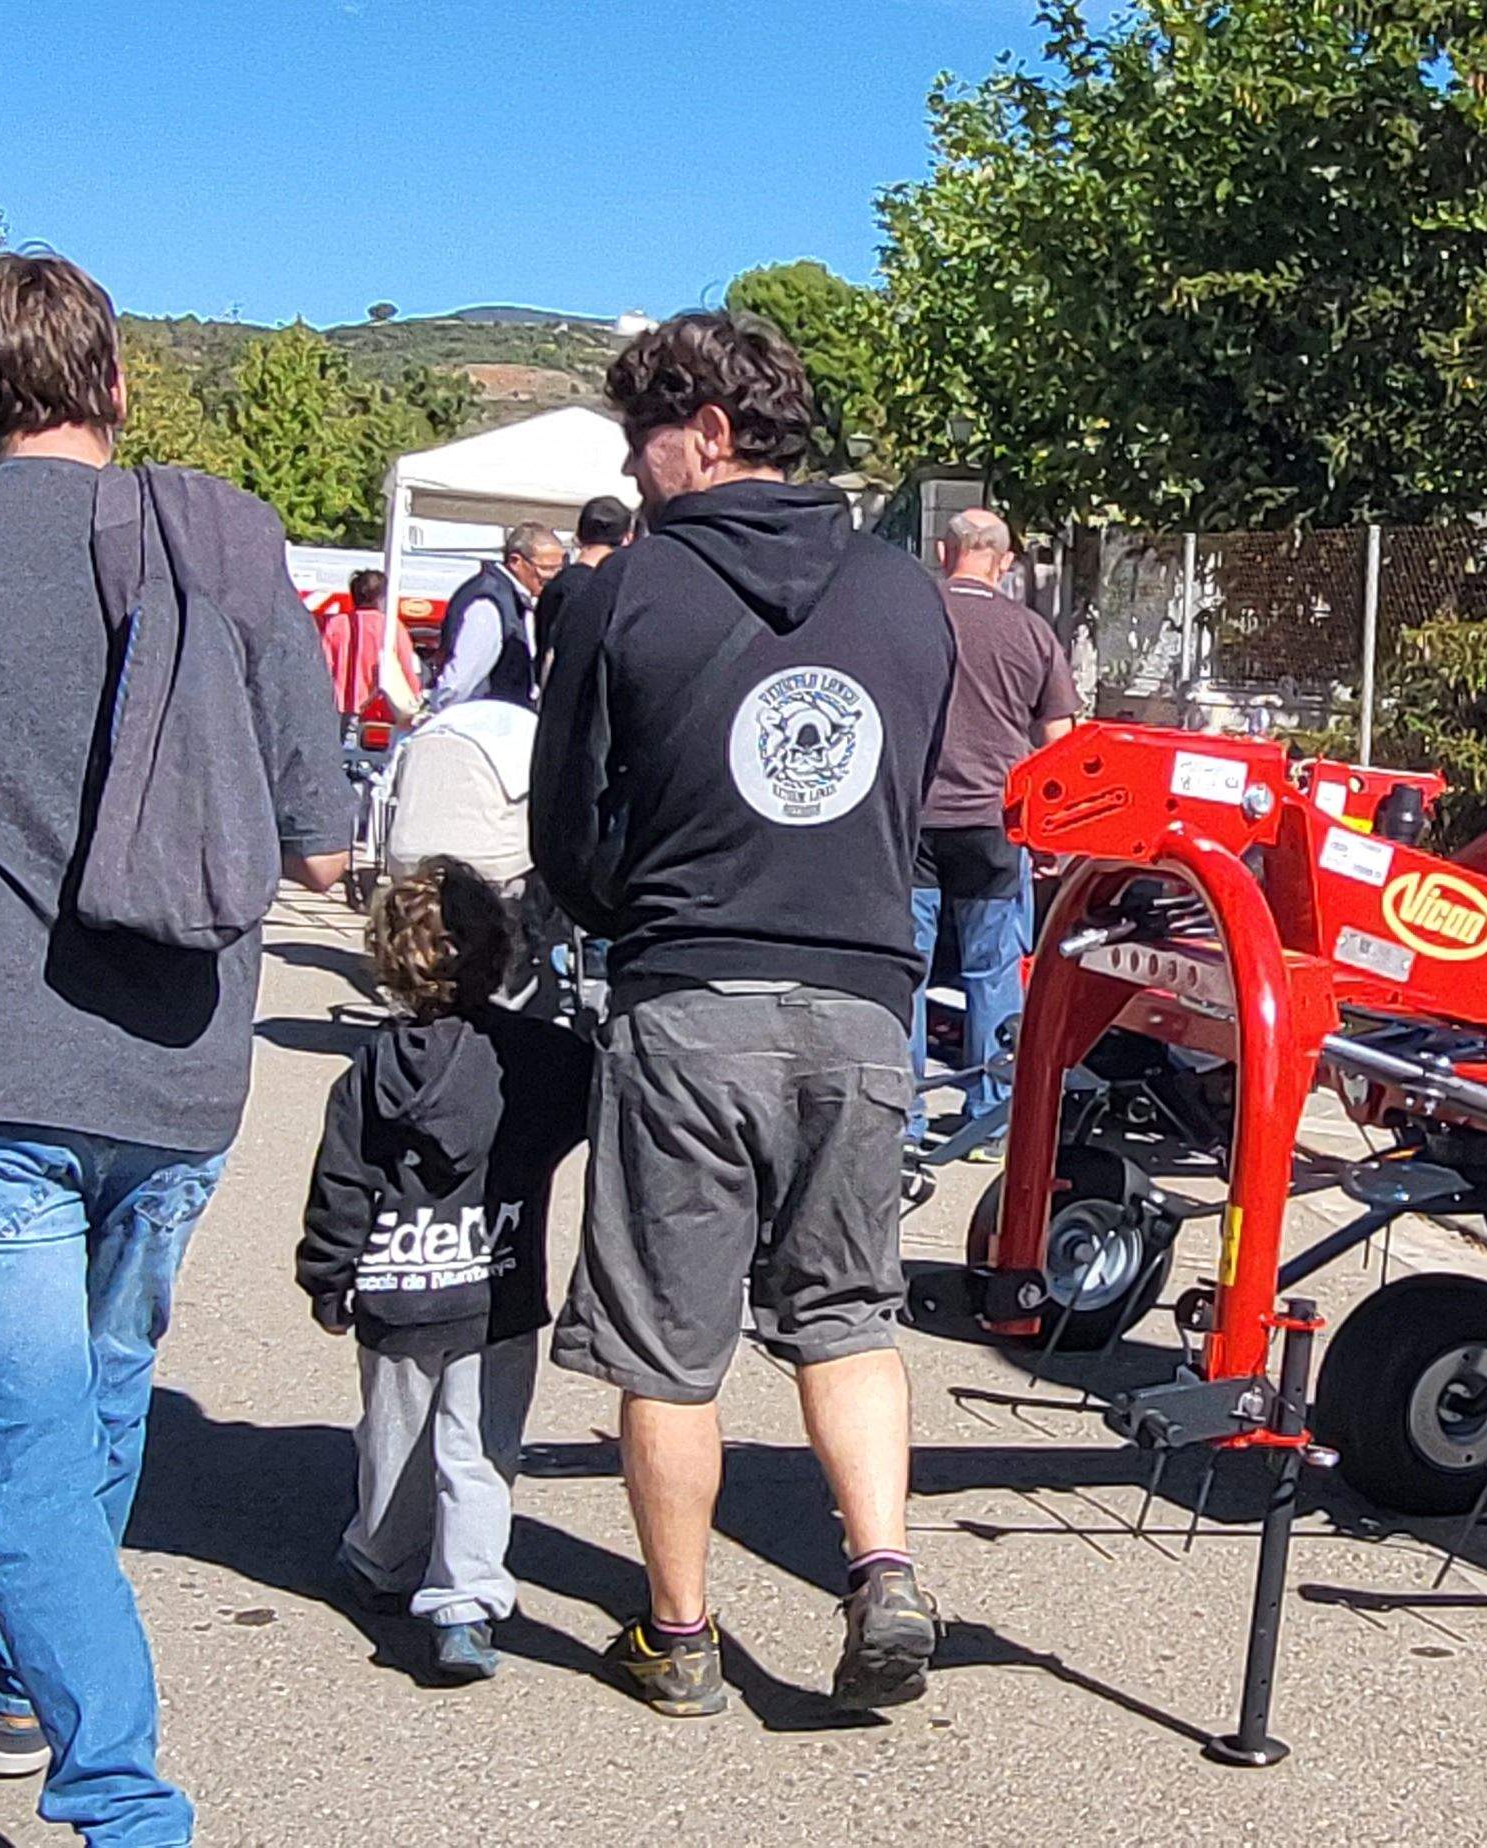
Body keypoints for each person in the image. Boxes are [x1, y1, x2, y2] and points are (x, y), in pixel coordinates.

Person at [0, 251, 352, 1846]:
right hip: (180, 1071)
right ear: (115, 383)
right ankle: (4, 1678)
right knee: (103, 1401)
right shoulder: (230, 546)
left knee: (32, 1453)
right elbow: (319, 850)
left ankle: (123, 1804)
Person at [529, 310, 954, 1718]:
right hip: (862, 1002)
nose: (636, 473)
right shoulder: (908, 595)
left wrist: (621, 907)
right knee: (847, 1312)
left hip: (691, 996)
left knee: (668, 1337)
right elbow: (910, 803)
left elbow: (567, 830)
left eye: (644, 443)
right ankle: (884, 1565)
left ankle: (681, 1632)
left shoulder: (620, 593)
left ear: (707, 431)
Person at [296, 857, 588, 1685]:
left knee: (391, 1437)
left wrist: (329, 1274)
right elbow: (597, 1105)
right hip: (497, 1289)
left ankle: (384, 1559)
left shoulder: (372, 1071)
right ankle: (464, 1603)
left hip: (395, 1289)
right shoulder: (542, 1061)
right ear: (499, 953)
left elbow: (341, 1180)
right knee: (480, 1449)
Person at [910, 507, 1077, 1143]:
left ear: (942, 551)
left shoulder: (910, 619)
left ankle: (901, 1115)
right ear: (1004, 563)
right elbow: (1061, 743)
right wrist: (1054, 835)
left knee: (909, 970)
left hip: (913, 821)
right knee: (993, 971)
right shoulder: (1031, 632)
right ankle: (989, 1116)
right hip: (994, 824)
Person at [429, 523, 562, 712]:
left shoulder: (513, 599)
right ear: (516, 561)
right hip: (481, 724)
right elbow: (458, 683)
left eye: (558, 569)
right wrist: (435, 712)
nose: (554, 577)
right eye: (546, 568)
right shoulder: (488, 602)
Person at [527, 495, 634, 694]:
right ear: (627, 539)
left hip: (550, 700)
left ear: (579, 535)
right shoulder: (609, 590)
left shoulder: (555, 586)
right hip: (584, 705)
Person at [321, 567, 424, 746]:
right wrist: (416, 699)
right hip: (382, 708)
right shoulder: (391, 627)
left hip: (340, 708)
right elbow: (406, 666)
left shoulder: (337, 624)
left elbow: (323, 665)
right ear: (382, 597)